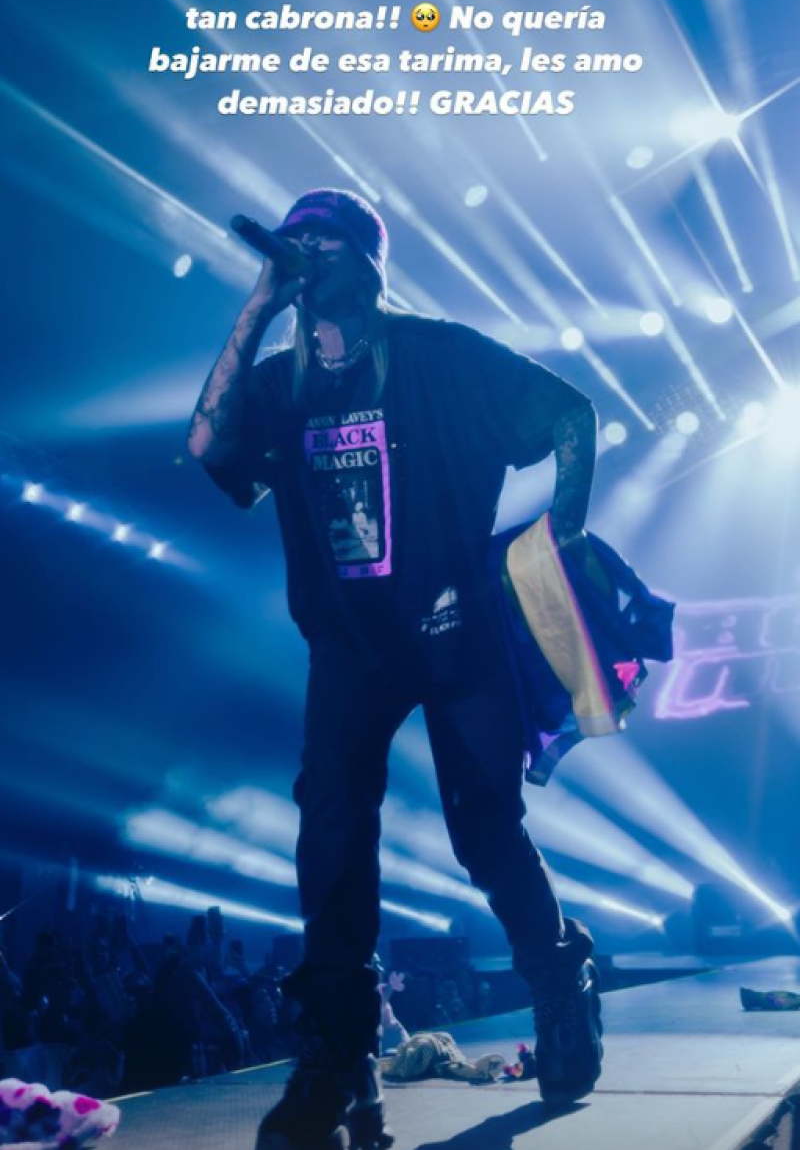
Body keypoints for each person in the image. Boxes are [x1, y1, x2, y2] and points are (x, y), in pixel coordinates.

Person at [187, 188, 603, 1150]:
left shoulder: (439, 355)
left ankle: (558, 977)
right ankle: (338, 1054)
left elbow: (570, 411)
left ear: (372, 260)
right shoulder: (287, 381)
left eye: (328, 243)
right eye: (301, 245)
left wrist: (564, 536)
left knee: (487, 831)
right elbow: (209, 446)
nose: (311, 257)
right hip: (350, 642)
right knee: (330, 825)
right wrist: (257, 303)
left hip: (456, 635)